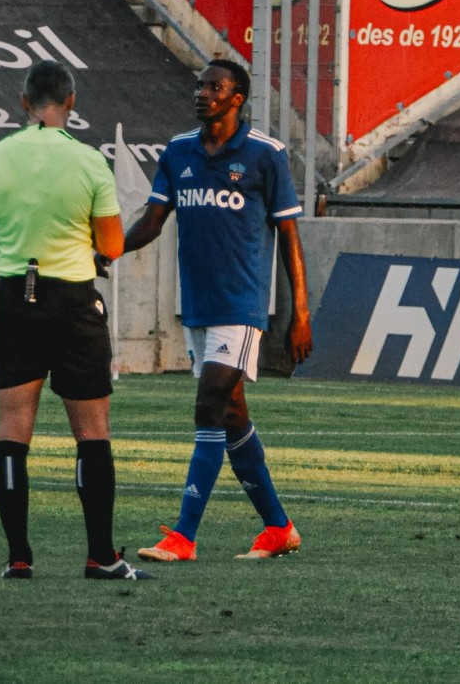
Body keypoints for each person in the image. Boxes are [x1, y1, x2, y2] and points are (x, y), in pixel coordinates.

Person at [125, 59, 314, 561]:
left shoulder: (265, 155)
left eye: (215, 87)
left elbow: (289, 236)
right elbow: (153, 220)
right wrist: (108, 249)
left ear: (237, 99)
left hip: (241, 304)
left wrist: (301, 312)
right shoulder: (179, 151)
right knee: (230, 415)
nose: (202, 93)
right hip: (197, 306)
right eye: (200, 85)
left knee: (209, 405)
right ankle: (278, 527)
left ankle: (183, 536)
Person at [0, 60, 152, 580]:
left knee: (12, 430)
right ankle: (101, 555)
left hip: (14, 301)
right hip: (74, 303)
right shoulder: (88, 162)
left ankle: (18, 557)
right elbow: (114, 245)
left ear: (23, 102)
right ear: (71, 102)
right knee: (91, 433)